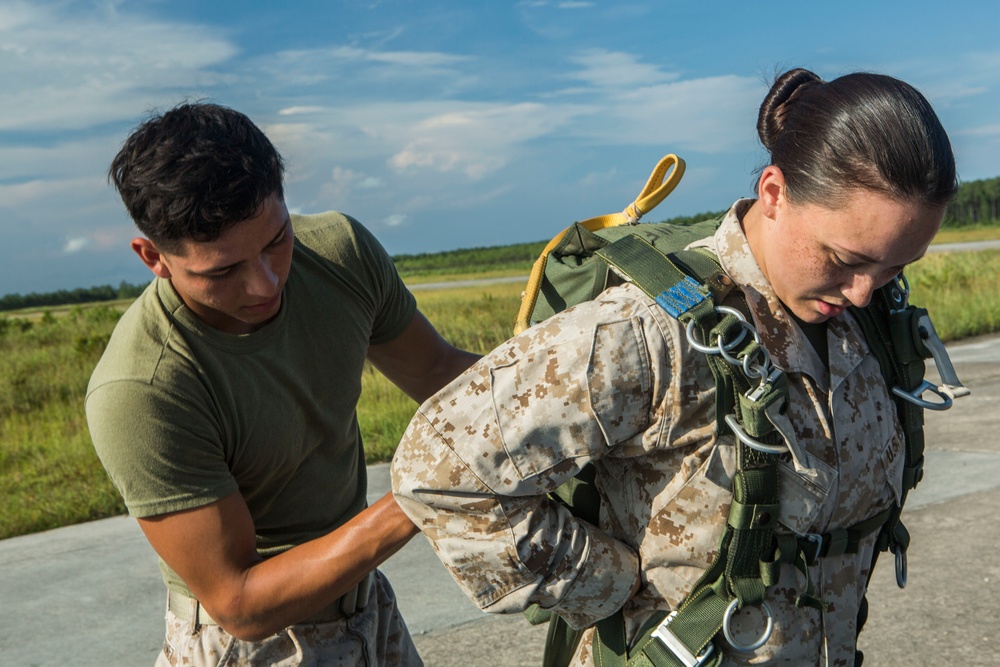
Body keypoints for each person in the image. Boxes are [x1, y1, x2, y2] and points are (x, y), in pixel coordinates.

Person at [390, 67, 958, 666]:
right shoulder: (649, 333)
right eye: (845, 258)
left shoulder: (865, 323)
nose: (865, 291)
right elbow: (440, 465)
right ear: (773, 193)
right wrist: (613, 586)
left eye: (897, 266)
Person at [86, 102, 479, 666]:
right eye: (221, 271)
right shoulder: (142, 390)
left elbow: (438, 373)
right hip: (256, 647)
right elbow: (240, 603)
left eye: (276, 241)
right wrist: (424, 492)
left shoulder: (340, 251)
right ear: (154, 258)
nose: (264, 283)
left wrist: (562, 369)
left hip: (369, 606)